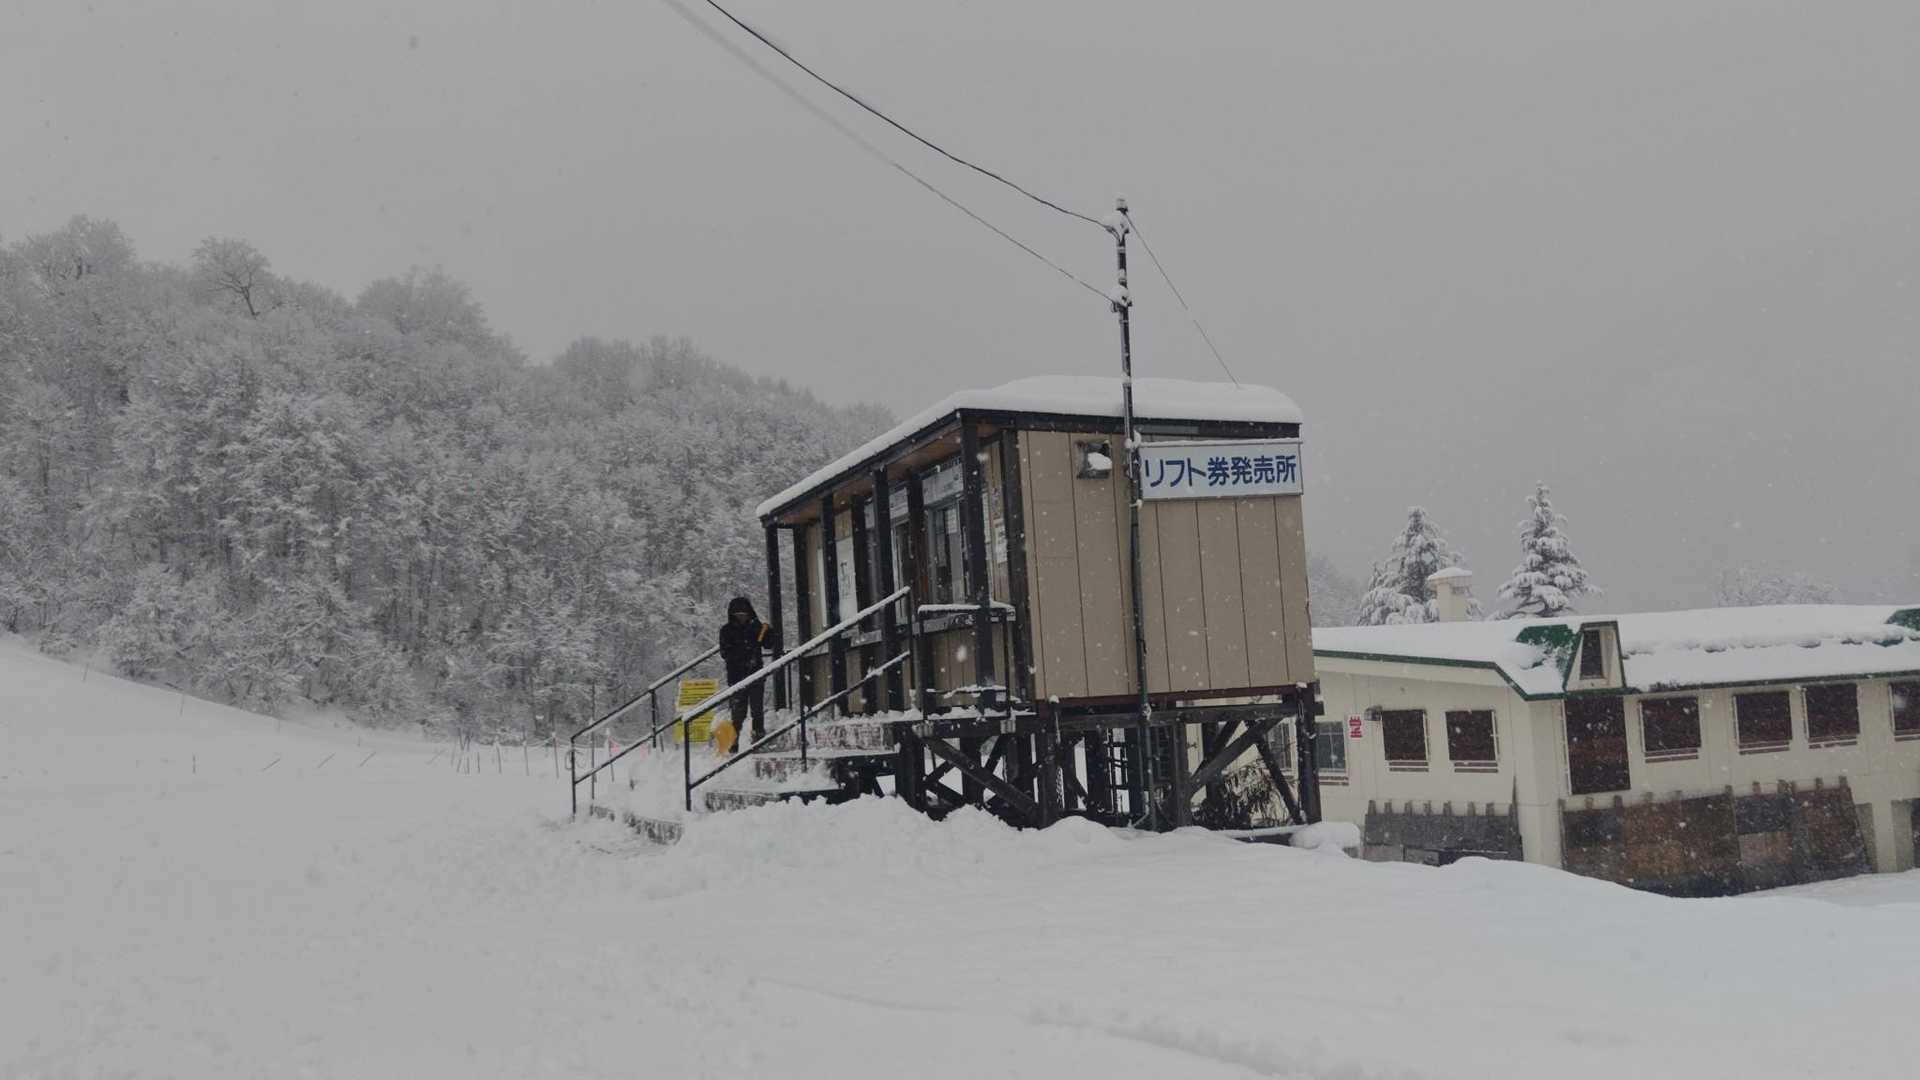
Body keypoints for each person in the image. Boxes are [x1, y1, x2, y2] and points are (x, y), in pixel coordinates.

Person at [718, 596, 775, 752]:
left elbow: (768, 644)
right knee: (738, 713)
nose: (741, 617)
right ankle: (733, 745)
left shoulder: (756, 627)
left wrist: (768, 633)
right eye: (738, 615)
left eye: (744, 614)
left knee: (757, 710)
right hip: (736, 677)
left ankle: (758, 740)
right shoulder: (727, 631)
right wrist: (743, 657)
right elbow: (725, 652)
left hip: (755, 675)